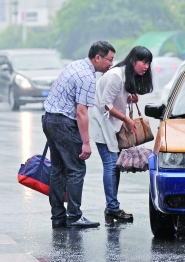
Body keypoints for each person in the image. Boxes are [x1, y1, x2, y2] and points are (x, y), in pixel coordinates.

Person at [42, 41, 116, 228]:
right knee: (76, 169)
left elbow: (54, 87)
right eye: (109, 59)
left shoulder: (74, 65)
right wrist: (86, 143)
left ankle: (58, 217)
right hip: (64, 123)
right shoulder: (87, 77)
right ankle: (74, 216)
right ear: (97, 57)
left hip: (49, 119)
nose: (111, 64)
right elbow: (81, 113)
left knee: (58, 170)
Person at [89, 46, 154, 222]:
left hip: (111, 125)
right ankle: (112, 208)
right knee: (111, 165)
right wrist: (126, 119)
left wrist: (130, 98)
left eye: (148, 62)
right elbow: (105, 104)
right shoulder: (116, 76)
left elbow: (115, 100)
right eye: (143, 61)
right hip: (101, 123)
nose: (146, 66)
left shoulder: (125, 76)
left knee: (114, 165)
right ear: (133, 61)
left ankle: (112, 207)